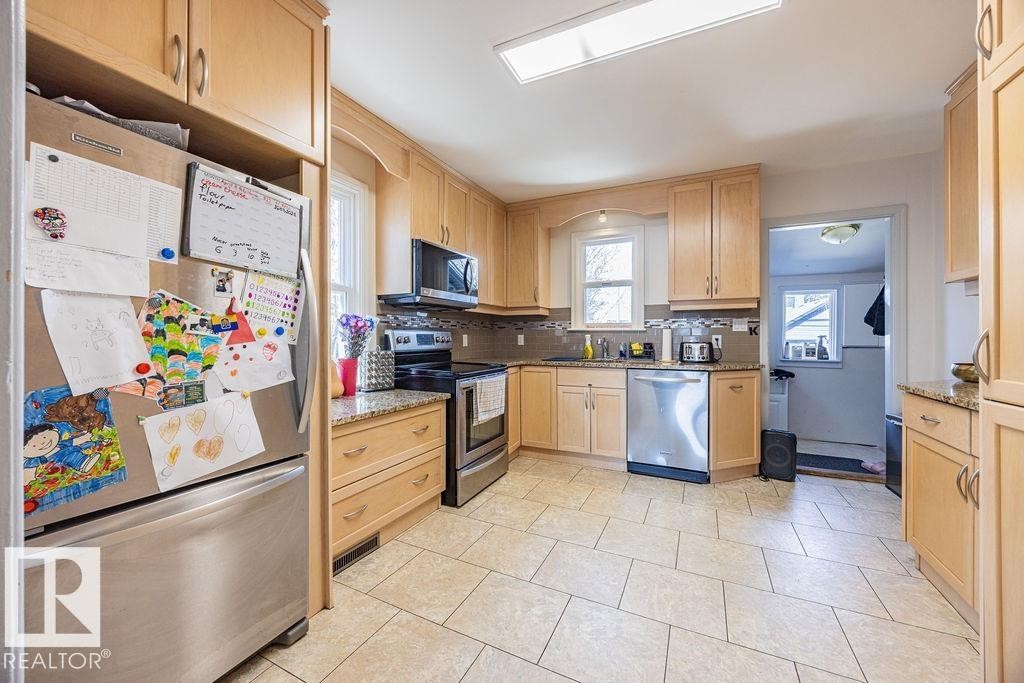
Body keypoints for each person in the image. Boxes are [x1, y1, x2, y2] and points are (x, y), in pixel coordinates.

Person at [23, 423, 101, 485]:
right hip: (63, 461)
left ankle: (99, 444)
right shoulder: (41, 458)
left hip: (76, 450)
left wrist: (85, 438)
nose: (43, 443)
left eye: (44, 438)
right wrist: (29, 478)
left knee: (86, 445)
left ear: (55, 430)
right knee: (71, 457)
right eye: (34, 445)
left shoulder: (61, 444)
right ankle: (82, 464)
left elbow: (74, 442)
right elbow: (31, 466)